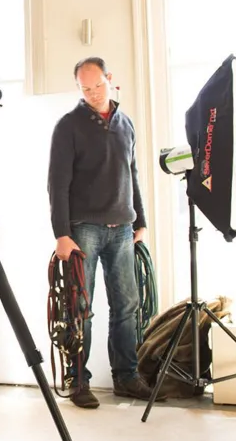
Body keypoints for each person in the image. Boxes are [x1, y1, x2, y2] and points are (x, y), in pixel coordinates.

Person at [47, 57, 161, 409]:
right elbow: (57, 184)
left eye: (97, 85)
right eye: (85, 88)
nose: (93, 93)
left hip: (123, 228)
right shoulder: (68, 126)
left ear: (109, 79)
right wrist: (61, 233)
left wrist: (140, 220)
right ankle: (78, 380)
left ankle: (126, 376)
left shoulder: (126, 124)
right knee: (78, 307)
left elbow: (132, 173)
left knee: (127, 306)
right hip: (84, 230)